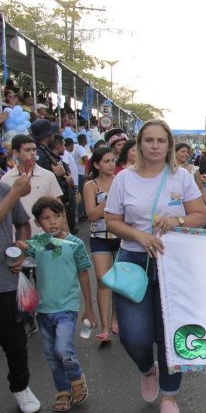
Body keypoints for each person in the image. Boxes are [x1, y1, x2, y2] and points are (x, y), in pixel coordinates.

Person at [104, 119, 206, 413]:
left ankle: (169, 395)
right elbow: (111, 220)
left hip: (174, 266)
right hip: (133, 262)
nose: (155, 146)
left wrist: (177, 222)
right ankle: (147, 369)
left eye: (161, 140)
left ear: (169, 144)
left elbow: (200, 214)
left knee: (170, 335)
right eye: (149, 140)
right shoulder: (124, 179)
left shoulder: (181, 177)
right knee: (134, 336)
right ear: (139, 144)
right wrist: (139, 235)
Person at [18, 196, 94, 412]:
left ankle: (76, 378)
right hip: (43, 309)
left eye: (56, 216)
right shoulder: (39, 243)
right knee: (51, 354)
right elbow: (23, 249)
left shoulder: (75, 244)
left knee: (63, 347)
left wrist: (88, 307)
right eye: (45, 218)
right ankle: (62, 389)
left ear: (63, 216)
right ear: (37, 223)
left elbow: (83, 274)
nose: (51, 221)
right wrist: (17, 246)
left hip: (67, 307)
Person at [0, 164, 38, 413]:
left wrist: (21, 249)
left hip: (5, 281)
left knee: (15, 342)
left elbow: (23, 223)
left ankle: (20, 387)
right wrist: (14, 193)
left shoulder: (4, 189)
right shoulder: (9, 191)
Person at [83, 146, 120, 343]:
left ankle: (115, 318)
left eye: (113, 160)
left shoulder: (120, 181)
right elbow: (91, 215)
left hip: (121, 236)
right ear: (96, 164)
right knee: (103, 279)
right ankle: (105, 327)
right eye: (106, 161)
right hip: (99, 236)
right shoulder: (91, 186)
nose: (111, 164)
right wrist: (110, 199)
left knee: (119, 281)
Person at [1, 134, 62, 234]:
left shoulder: (48, 176)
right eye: (27, 150)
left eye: (34, 150)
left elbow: (59, 207)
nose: (33, 153)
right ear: (15, 152)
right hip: (18, 238)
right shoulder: (5, 180)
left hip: (46, 237)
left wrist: (66, 236)